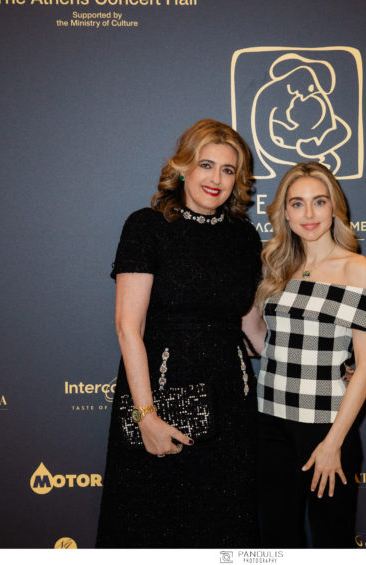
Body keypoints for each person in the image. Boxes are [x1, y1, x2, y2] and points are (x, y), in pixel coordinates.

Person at [96, 119, 264, 548]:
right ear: (183, 166)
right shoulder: (147, 227)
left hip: (231, 406)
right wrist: (145, 416)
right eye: (206, 165)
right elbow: (128, 327)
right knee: (154, 530)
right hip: (163, 400)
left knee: (223, 531)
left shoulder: (243, 237)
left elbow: (251, 328)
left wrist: (320, 364)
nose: (216, 179)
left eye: (228, 170)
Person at [254, 161, 366, 548]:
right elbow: (268, 343)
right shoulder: (277, 266)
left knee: (331, 541)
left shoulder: (358, 269)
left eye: (319, 202)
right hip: (269, 423)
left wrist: (332, 443)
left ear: (334, 208)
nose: (309, 214)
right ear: (284, 212)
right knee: (277, 541)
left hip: (326, 426)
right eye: (297, 203)